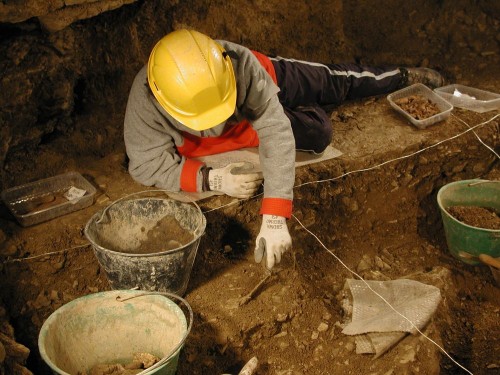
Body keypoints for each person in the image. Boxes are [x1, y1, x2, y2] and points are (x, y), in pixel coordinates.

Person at [124, 29, 443, 270]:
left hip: (265, 84)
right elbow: (146, 165)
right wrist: (213, 180)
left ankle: (399, 75)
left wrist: (275, 215)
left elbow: (275, 130)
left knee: (331, 83)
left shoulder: (240, 65)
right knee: (319, 133)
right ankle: (305, 110)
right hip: (245, 128)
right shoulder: (146, 105)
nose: (216, 125)